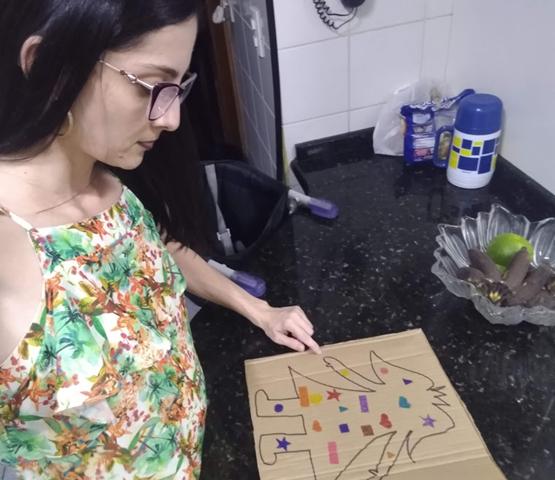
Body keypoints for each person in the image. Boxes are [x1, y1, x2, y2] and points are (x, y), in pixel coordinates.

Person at [0, 1, 321, 478]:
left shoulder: (109, 182)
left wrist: (259, 310)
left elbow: (156, 251)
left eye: (177, 87)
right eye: (150, 86)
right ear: (50, 66)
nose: (171, 119)